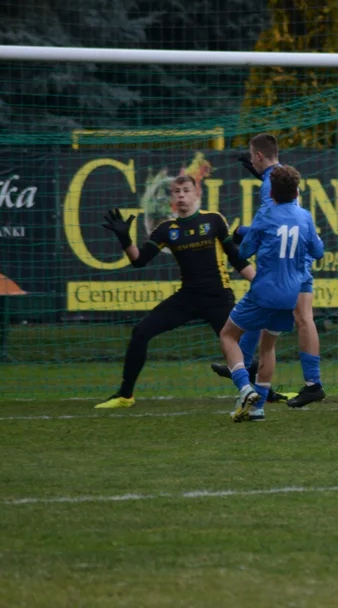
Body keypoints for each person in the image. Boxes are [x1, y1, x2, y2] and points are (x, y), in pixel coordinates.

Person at [96, 174, 255, 408]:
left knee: (241, 348)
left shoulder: (214, 220)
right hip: (187, 297)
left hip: (218, 296)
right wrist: (125, 240)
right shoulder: (165, 229)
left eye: (186, 190)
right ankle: (125, 395)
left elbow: (237, 259)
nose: (181, 195)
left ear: (197, 193)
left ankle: (266, 392)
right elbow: (139, 261)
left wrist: (261, 284)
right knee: (141, 331)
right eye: (176, 191)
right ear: (172, 198)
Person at [210, 133, 325, 407]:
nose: (251, 161)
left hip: (287, 265)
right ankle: (249, 370)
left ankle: (310, 382)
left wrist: (240, 231)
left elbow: (271, 227)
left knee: (299, 319)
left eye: (252, 157)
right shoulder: (283, 177)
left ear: (259, 156)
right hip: (297, 260)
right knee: (275, 326)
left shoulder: (269, 186)